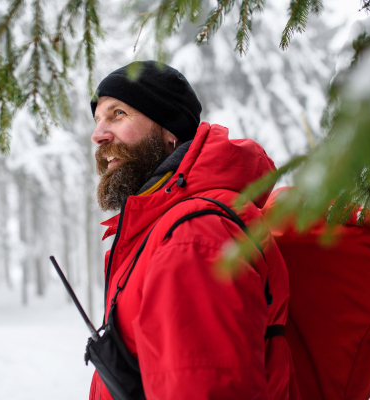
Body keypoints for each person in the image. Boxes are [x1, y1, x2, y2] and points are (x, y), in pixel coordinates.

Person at [89, 60, 300, 400]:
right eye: (98, 120)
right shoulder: (163, 228)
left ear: (170, 132)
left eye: (118, 114)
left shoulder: (193, 237)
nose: (98, 135)